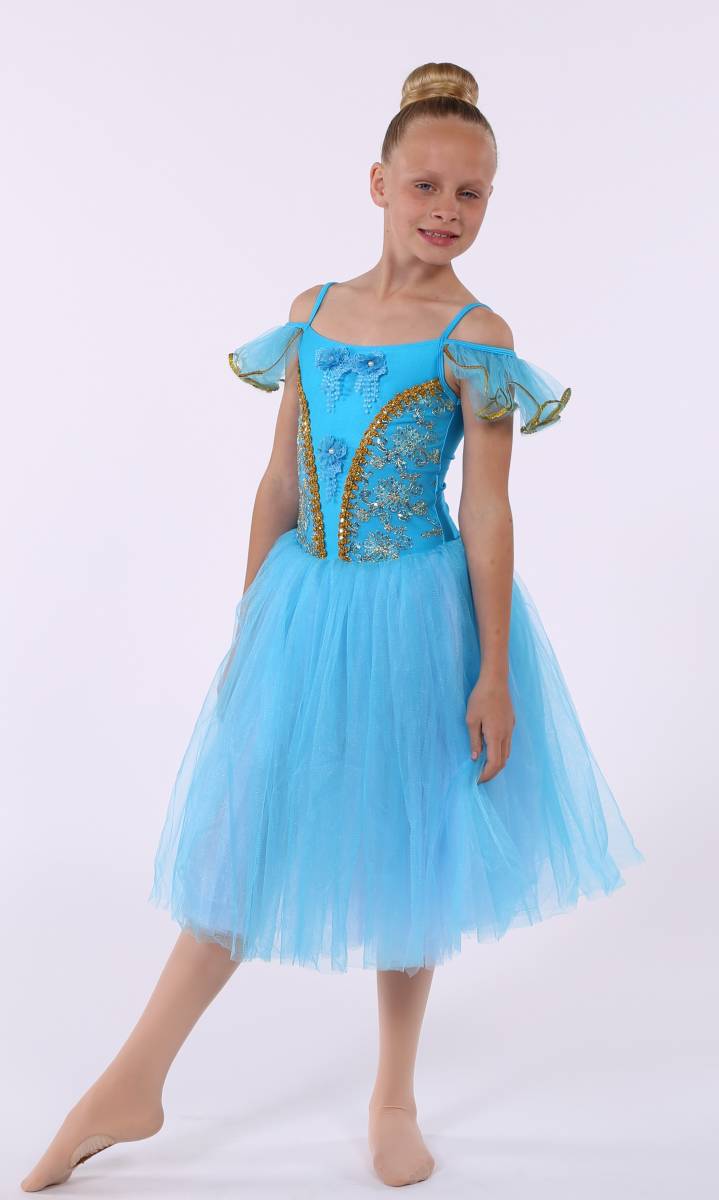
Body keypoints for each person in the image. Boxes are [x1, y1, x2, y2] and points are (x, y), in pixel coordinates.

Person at [21, 59, 644, 1192]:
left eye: (470, 193)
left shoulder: (474, 334)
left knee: (410, 841)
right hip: (306, 604)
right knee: (246, 832)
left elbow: (487, 511)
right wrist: (251, 621)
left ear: (490, 201)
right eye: (425, 186)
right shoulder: (311, 313)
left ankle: (392, 1095)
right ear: (377, 182)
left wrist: (492, 669)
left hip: (417, 612)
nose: (445, 211)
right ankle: (133, 1080)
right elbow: (276, 483)